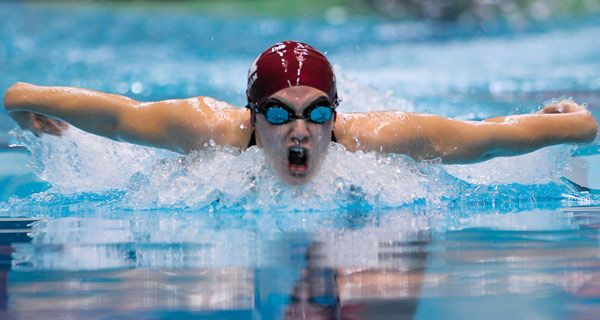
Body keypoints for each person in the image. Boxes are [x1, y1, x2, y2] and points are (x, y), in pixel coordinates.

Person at [3, 41, 598, 185]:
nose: (298, 131)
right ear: (250, 116)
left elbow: (486, 139)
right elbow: (119, 116)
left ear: (336, 117)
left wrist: (570, 122)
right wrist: (23, 105)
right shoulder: (208, 129)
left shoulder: (376, 140)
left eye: (317, 115)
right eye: (278, 114)